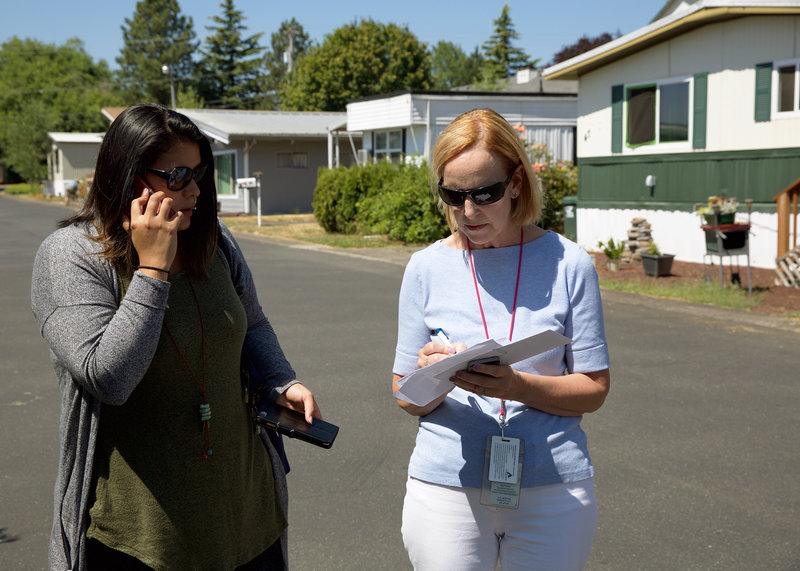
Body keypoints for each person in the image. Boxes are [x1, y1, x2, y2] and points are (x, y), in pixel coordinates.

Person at [31, 102, 321, 570]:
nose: (196, 191)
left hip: (244, 516)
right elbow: (110, 380)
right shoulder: (71, 257)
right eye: (179, 175)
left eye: (200, 174)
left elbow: (253, 323)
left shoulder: (215, 240)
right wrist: (152, 269)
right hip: (141, 537)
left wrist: (282, 381)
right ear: (129, 175)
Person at [392, 108, 610, 570]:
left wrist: (516, 386)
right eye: (454, 194)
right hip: (446, 489)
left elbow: (593, 387)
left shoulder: (569, 263)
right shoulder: (425, 268)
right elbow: (404, 395)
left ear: (516, 182)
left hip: (553, 491)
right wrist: (433, 376)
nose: (468, 212)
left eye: (484, 193)